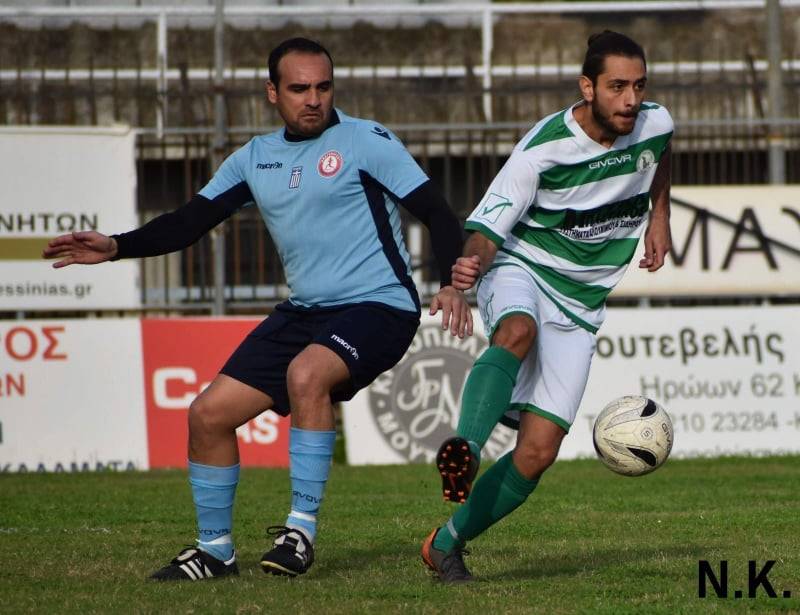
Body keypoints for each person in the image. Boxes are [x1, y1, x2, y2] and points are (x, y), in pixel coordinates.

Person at [44, 37, 472, 581]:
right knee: (207, 415)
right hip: (304, 312)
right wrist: (116, 246)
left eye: (323, 87)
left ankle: (300, 532)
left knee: (306, 374)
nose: (313, 99)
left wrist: (450, 284)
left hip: (379, 306)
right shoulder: (253, 157)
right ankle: (214, 552)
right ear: (273, 93)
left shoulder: (366, 141)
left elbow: (437, 212)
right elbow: (189, 221)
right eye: (299, 88)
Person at [421, 31, 673, 582]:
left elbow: (659, 159)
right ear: (587, 87)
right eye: (617, 87)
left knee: (537, 453)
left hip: (582, 304)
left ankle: (445, 544)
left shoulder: (654, 123)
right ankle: (465, 450)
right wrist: (467, 269)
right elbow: (487, 231)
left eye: (639, 86)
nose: (631, 99)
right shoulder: (543, 149)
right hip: (524, 267)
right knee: (516, 330)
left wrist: (660, 216)